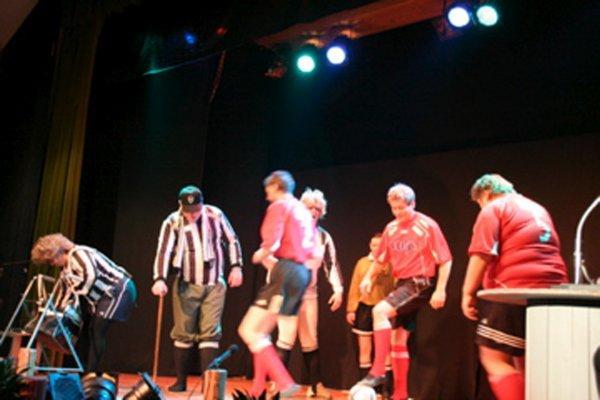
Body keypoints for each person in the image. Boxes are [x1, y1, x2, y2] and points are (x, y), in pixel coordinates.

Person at [462, 174, 568, 400]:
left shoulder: (494, 208)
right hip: (553, 292)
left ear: (486, 194)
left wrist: (467, 293)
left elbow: (482, 252)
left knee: (493, 357)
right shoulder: (538, 208)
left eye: (479, 202)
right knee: (527, 360)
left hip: (513, 289)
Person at [352, 183, 452, 400]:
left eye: (402, 208)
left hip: (420, 282)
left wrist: (441, 289)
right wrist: (368, 278)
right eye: (394, 208)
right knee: (398, 340)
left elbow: (445, 259)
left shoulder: (427, 225)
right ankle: (400, 394)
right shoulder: (390, 229)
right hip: (402, 284)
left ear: (413, 204)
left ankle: (378, 370)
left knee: (379, 311)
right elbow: (380, 260)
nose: (398, 213)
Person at [151, 185, 243, 392]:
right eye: (188, 211)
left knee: (210, 333)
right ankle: (181, 381)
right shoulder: (172, 222)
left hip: (214, 283)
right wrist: (159, 279)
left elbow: (232, 239)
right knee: (183, 332)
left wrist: (236, 266)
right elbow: (163, 251)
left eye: (196, 210)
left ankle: (207, 384)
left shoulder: (215, 215)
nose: (193, 215)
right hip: (186, 284)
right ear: (180, 206)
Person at [238, 170, 317, 398]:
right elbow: (313, 250)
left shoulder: (280, 206)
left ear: (276, 186)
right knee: (261, 333)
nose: (266, 196)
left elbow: (272, 240)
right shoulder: (303, 210)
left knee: (248, 329)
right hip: (301, 273)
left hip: (286, 272)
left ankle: (284, 382)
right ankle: (258, 390)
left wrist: (261, 253)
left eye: (268, 190)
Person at [30, 233, 137, 373]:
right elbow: (64, 293)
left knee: (97, 329)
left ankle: (90, 372)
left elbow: (90, 275)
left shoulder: (79, 253)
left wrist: (75, 291)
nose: (52, 264)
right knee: (91, 330)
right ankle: (87, 369)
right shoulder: (65, 270)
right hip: (103, 296)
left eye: (52, 259)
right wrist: (57, 312)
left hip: (118, 289)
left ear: (60, 251)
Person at [274, 188, 344, 398]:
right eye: (309, 207)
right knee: (285, 339)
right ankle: (278, 385)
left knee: (310, 340)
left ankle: (315, 385)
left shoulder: (323, 237)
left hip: (310, 295)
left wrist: (338, 290)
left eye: (317, 208)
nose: (313, 211)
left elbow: (331, 264)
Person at [346, 233, 395, 388]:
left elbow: (396, 286)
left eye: (380, 245)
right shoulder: (362, 263)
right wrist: (351, 309)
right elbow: (355, 286)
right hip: (365, 308)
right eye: (374, 245)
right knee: (365, 349)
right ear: (370, 245)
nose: (376, 248)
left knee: (385, 350)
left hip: (384, 308)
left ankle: (386, 390)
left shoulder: (391, 263)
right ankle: (365, 388)